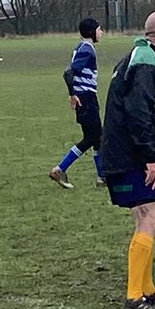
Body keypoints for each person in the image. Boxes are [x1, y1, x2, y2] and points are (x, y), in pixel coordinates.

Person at [98, 10, 155, 309]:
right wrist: (150, 158)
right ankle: (135, 295)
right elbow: (138, 113)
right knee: (149, 217)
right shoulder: (147, 64)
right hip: (129, 156)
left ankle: (147, 288)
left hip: (122, 153)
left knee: (144, 217)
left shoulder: (139, 56)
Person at [49, 18, 105, 191]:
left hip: (86, 97)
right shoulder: (87, 50)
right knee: (92, 138)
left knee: (98, 138)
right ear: (91, 32)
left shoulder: (81, 47)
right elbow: (68, 72)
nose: (101, 32)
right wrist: (73, 95)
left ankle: (102, 177)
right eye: (99, 29)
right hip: (85, 98)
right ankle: (60, 169)